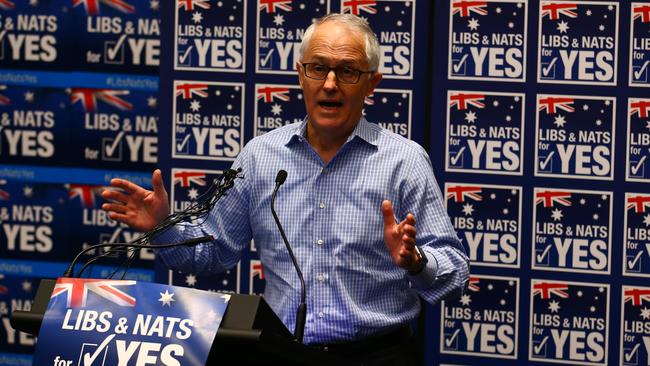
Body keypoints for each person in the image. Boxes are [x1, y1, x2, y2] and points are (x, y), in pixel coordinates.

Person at [102, 13, 468, 365]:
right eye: (318, 68)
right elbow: (209, 255)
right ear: (301, 75)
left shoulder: (405, 161)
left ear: (372, 83)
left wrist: (416, 261)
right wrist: (162, 226)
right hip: (279, 352)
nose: (329, 83)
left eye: (348, 71)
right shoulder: (260, 157)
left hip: (377, 355)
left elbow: (454, 274)